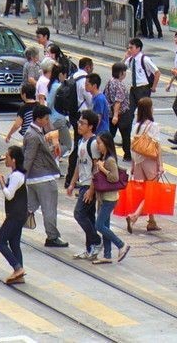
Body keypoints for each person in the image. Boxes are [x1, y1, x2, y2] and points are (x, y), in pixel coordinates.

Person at [23, 105, 68, 247]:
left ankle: (9, 228)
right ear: (38, 119)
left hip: (35, 178)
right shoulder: (33, 135)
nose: (48, 121)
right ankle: (52, 237)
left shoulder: (35, 132)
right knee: (49, 209)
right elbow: (29, 157)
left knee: (30, 207)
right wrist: (21, 177)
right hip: (43, 178)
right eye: (46, 119)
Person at [67, 109, 103, 260]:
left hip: (89, 185)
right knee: (89, 216)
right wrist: (72, 183)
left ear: (91, 126)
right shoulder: (82, 141)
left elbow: (96, 169)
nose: (79, 124)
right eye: (79, 122)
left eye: (82, 123)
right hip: (83, 184)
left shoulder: (94, 143)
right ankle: (90, 249)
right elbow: (78, 165)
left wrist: (91, 190)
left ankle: (96, 241)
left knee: (79, 214)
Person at [0, 145, 29, 285]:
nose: (5, 158)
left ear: (13, 160)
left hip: (15, 215)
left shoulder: (17, 176)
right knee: (14, 243)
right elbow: (6, 190)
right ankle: (19, 274)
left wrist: (1, 180)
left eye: (7, 157)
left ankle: (17, 268)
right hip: (17, 214)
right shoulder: (15, 175)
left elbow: (9, 195)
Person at [90, 133, 129, 263]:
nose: (98, 146)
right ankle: (107, 255)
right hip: (103, 197)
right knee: (105, 225)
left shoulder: (110, 160)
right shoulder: (104, 157)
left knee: (99, 225)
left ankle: (121, 245)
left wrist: (102, 169)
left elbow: (114, 178)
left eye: (99, 143)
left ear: (106, 143)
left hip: (110, 198)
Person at [126, 97, 163, 233]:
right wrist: (160, 165)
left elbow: (132, 146)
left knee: (145, 191)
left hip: (138, 161)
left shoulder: (135, 126)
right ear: (149, 109)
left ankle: (151, 221)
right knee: (151, 192)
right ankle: (134, 216)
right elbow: (157, 147)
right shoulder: (153, 126)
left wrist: (133, 164)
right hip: (150, 161)